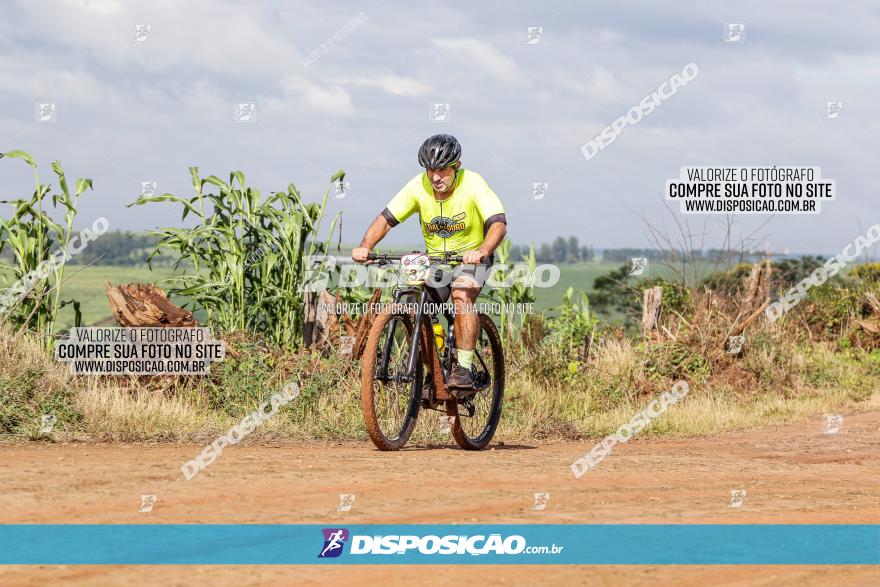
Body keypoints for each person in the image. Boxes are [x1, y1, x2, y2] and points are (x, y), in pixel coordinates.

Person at [352, 134, 507, 394]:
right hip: (436, 261)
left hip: (471, 258)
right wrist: (366, 246)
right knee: (415, 308)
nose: (436, 177)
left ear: (456, 165)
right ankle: (433, 372)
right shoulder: (417, 186)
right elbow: (385, 219)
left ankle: (465, 369)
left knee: (461, 294)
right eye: (431, 170)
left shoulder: (474, 183)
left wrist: (481, 250)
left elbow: (498, 224)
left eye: (442, 170)